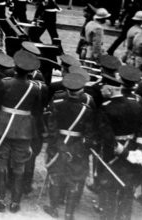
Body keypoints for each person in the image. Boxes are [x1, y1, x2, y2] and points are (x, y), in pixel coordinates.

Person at [0, 50, 44, 213]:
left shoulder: (5, 83)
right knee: (20, 165)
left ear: (14, 68)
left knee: (1, 163)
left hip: (4, 127)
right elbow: (37, 112)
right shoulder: (35, 89)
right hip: (24, 131)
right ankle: (15, 202)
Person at [97, 65, 142, 220]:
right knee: (127, 188)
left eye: (103, 87)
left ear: (111, 89)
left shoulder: (105, 107)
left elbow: (106, 136)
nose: (101, 90)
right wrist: (139, 152)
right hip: (133, 152)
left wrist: (120, 150)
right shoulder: (137, 104)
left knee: (108, 188)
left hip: (112, 154)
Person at [42, 72, 97, 219]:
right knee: (75, 179)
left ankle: (53, 209)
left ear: (66, 88)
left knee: (55, 176)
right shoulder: (88, 104)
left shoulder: (57, 101)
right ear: (82, 89)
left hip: (59, 145)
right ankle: (69, 214)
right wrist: (82, 148)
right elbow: (90, 131)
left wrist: (56, 145)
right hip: (78, 147)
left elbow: (51, 127)